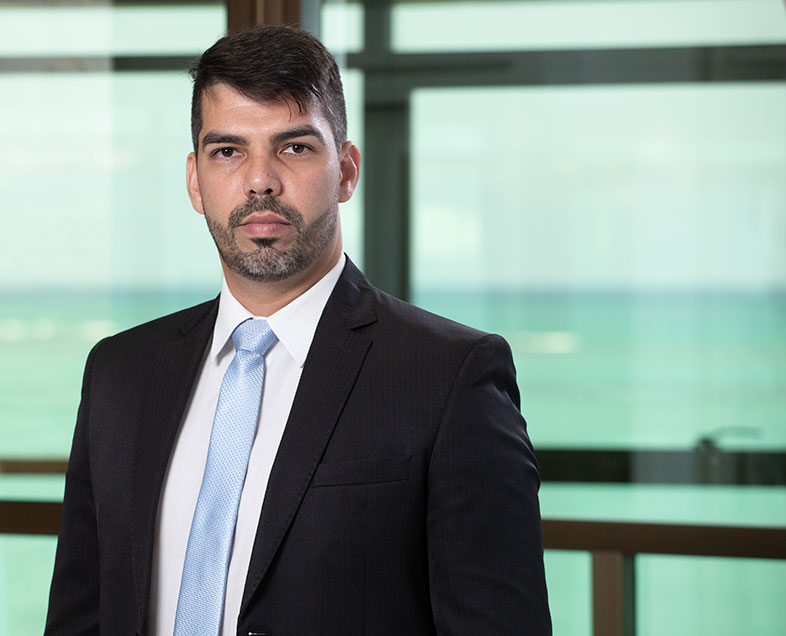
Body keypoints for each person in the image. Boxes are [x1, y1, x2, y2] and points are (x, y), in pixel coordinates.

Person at [45, 24, 551, 636]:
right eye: (227, 151)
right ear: (194, 180)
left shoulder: (449, 377)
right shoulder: (118, 374)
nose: (260, 180)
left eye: (294, 148)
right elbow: (79, 617)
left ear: (345, 170)